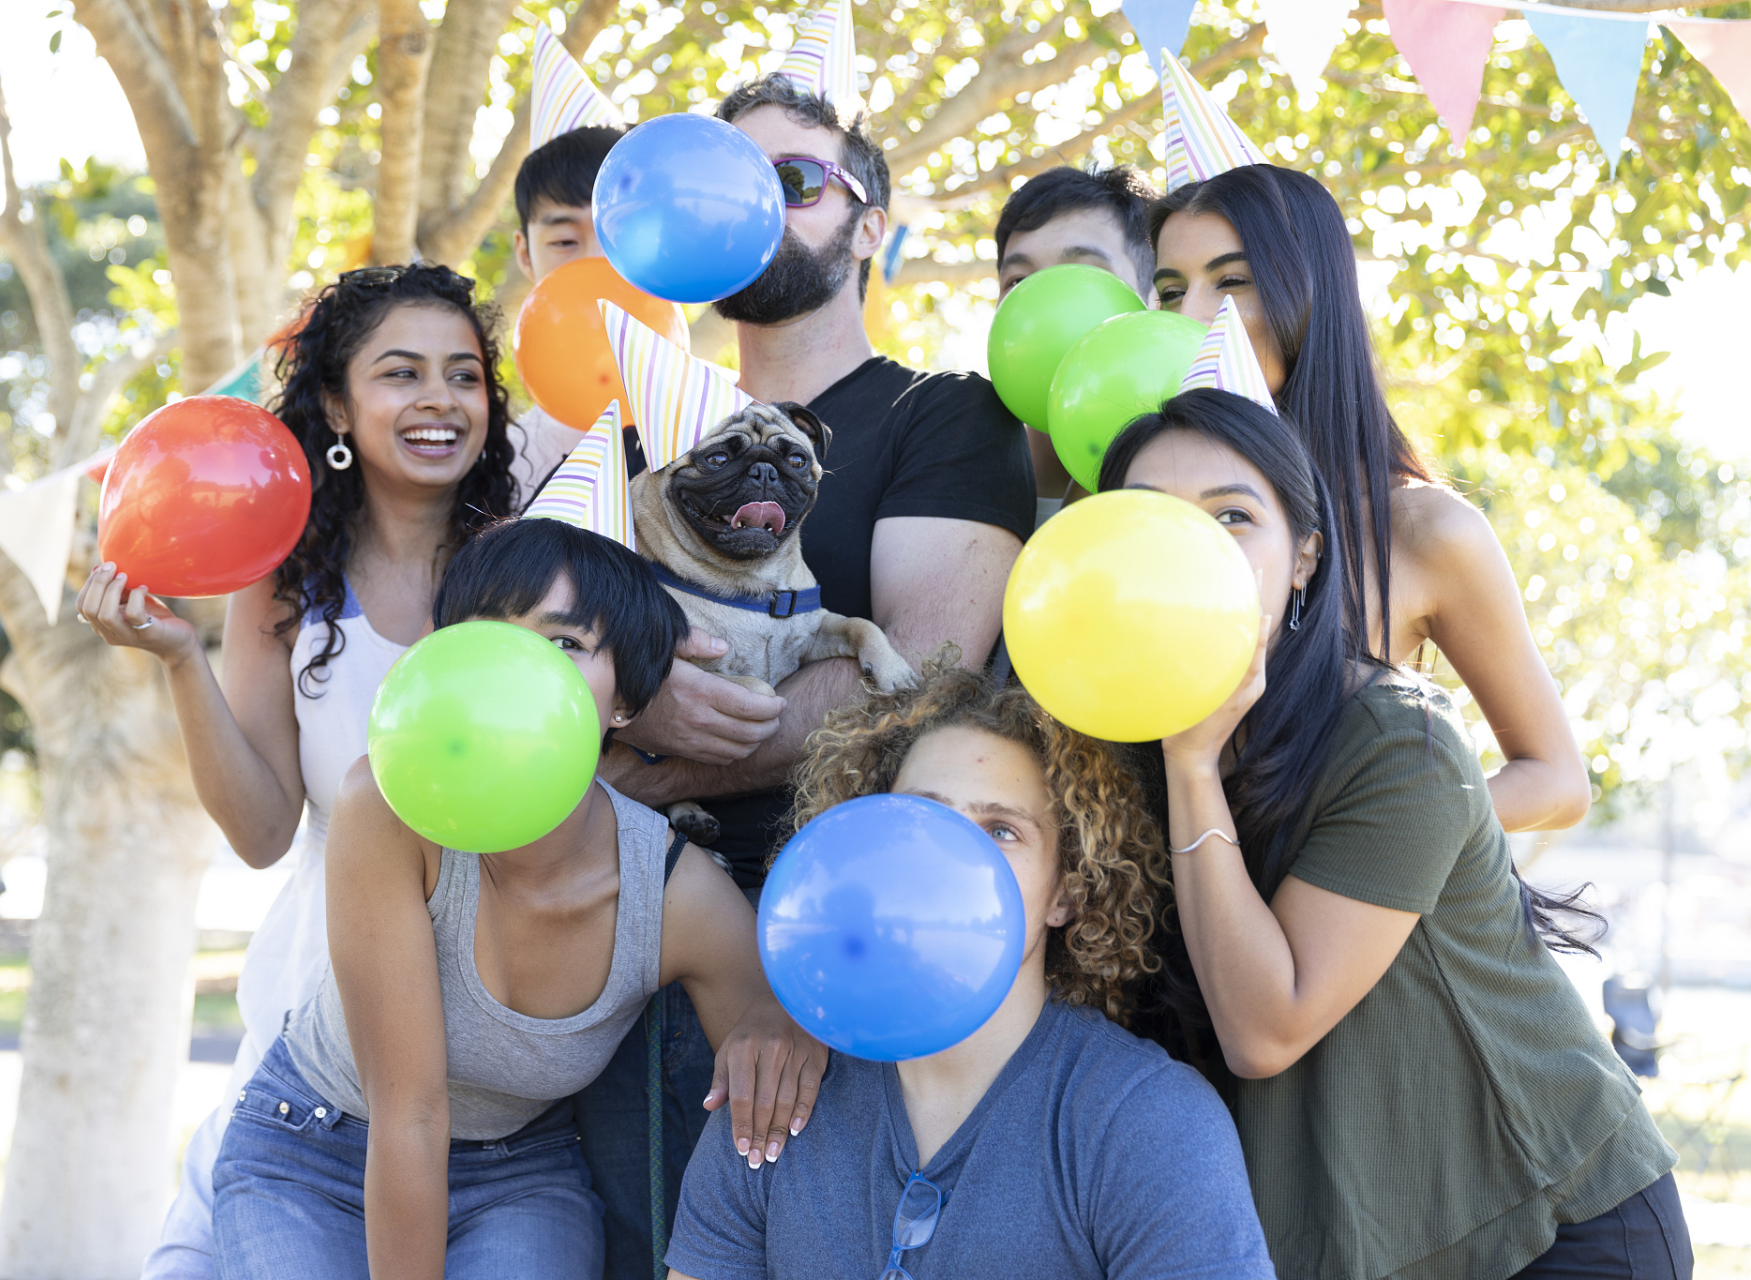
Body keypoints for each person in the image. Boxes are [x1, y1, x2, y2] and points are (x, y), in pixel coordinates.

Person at [583, 72, 1036, 1279]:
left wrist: (641, 732)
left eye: (794, 181)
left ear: (870, 227)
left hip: (839, 937)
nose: (756, 209)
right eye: (729, 184)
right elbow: (534, 664)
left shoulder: (945, 417)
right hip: (614, 934)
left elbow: (916, 677)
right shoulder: (627, 437)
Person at [1099, 388, 1691, 1280]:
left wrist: (1193, 768)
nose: (1191, 552)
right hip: (1367, 1239)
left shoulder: (1400, 740)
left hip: (1547, 1226)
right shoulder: (1104, 745)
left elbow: (1267, 1028)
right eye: (1150, 521)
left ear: (1304, 557)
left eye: (1231, 517)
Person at [212, 517, 829, 1278]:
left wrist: (787, 1023)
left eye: (564, 644)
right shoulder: (389, 805)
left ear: (629, 700)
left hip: (518, 1174)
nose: (516, 669)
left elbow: (780, 1062)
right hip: (311, 1148)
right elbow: (411, 1115)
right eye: (490, 637)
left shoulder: (677, 894)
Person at [75, 262, 517, 1280]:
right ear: (335, 402)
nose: (440, 401)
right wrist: (182, 661)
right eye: (401, 373)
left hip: (494, 988)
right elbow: (263, 829)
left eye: (464, 375)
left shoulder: (529, 558)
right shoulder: (281, 574)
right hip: (315, 997)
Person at [663, 666, 1276, 1280]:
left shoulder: (1149, 1123)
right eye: (919, 818)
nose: (946, 858)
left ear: (1067, 889)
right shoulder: (772, 1096)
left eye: (1000, 831)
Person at [1147, 164, 1590, 833]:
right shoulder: (1140, 507)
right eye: (1170, 290)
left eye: (1232, 282)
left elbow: (1555, 780)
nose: (1192, 315)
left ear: (1309, 295)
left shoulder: (1423, 529)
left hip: (1330, 930)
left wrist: (1354, 844)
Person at [992, 163, 1159, 524]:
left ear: (1153, 298)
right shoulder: (944, 466)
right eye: (1018, 282)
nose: (1048, 304)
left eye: (1085, 274)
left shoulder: (1194, 475)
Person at [508, 123, 627, 496]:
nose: (595, 260)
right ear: (525, 255)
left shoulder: (732, 418)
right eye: (564, 241)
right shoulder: (500, 466)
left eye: (620, 233)